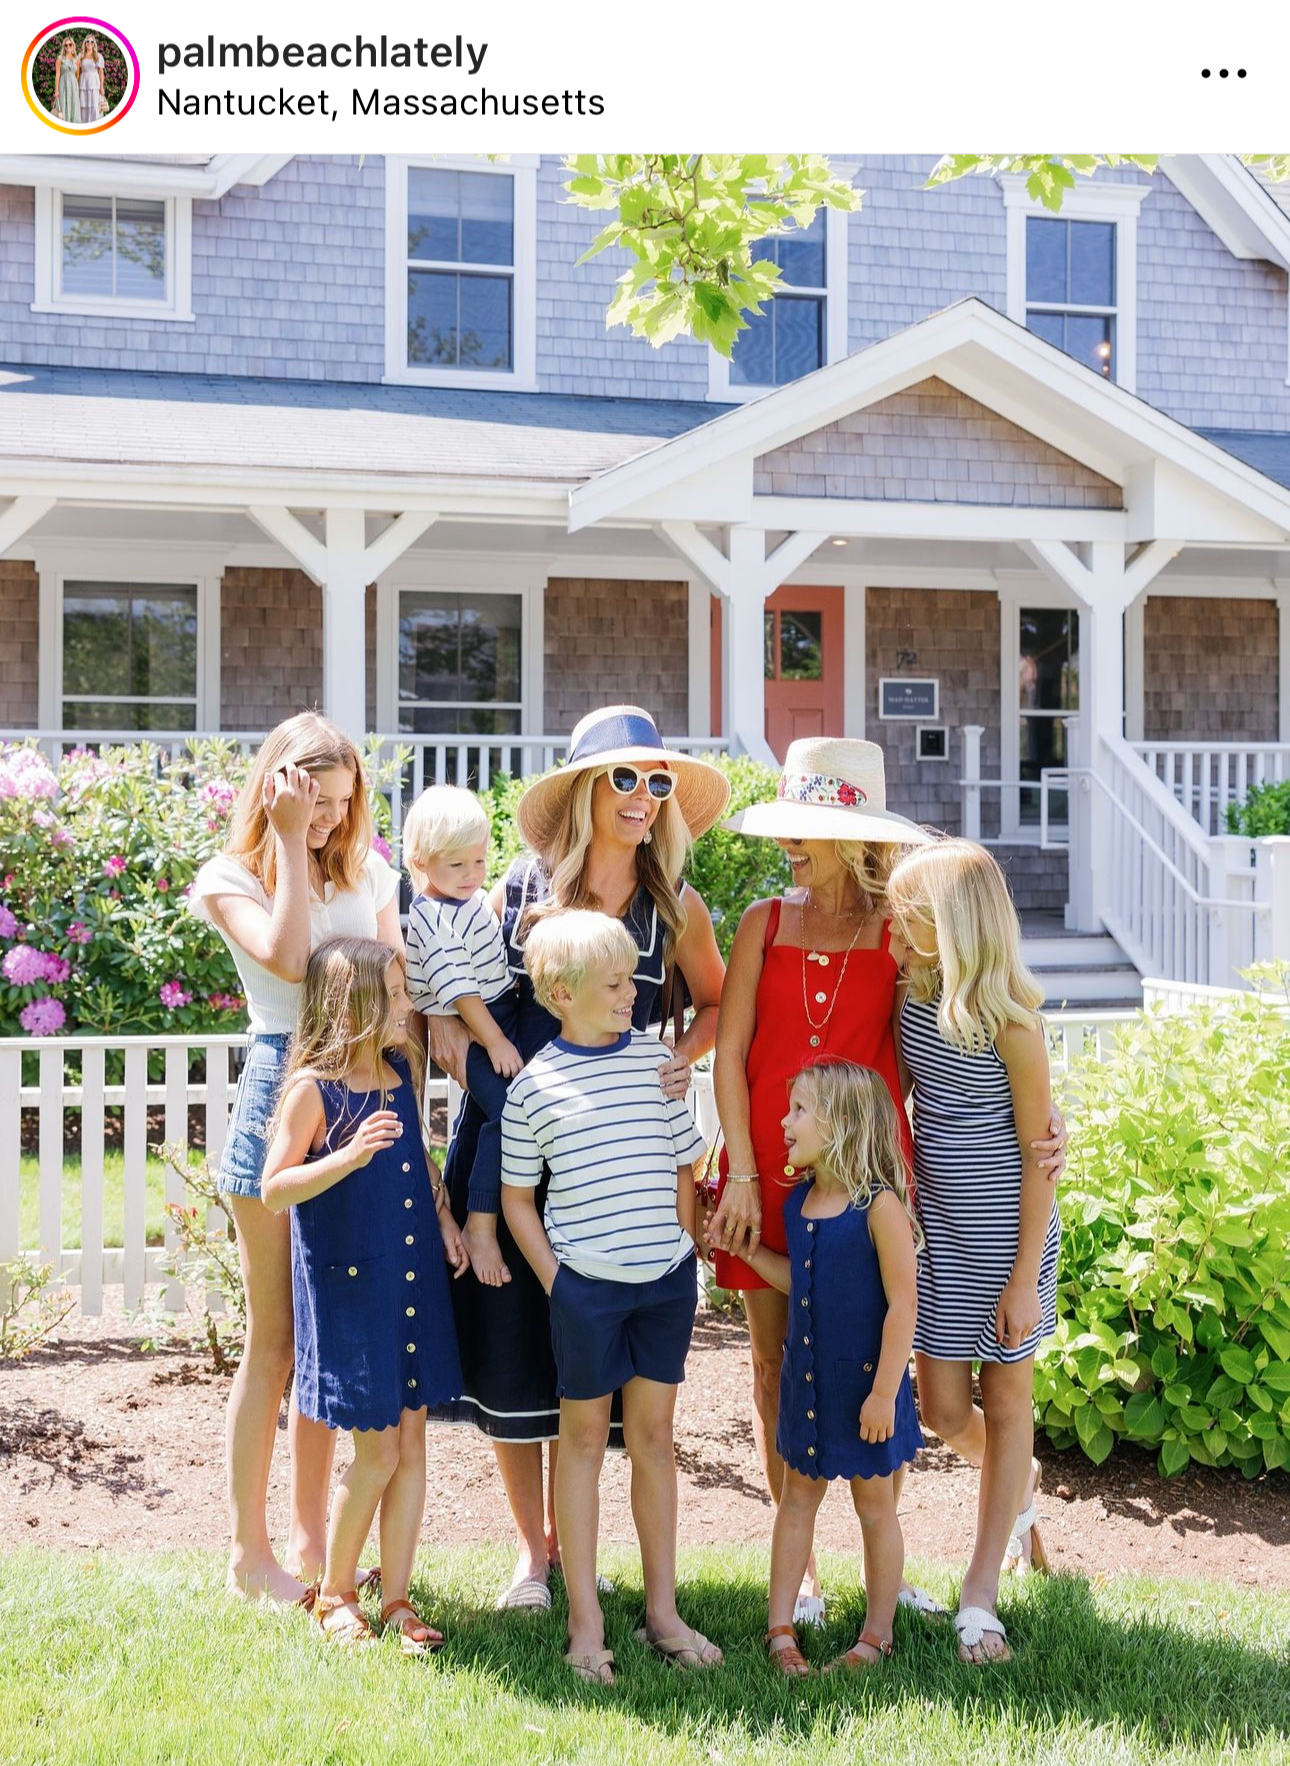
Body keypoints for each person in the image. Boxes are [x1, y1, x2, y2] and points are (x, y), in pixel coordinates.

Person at [707, 737, 1066, 1628]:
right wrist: (740, 1171)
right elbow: (731, 1050)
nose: (787, 845)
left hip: (872, 1191)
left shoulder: (903, 935)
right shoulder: (762, 923)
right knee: (772, 1365)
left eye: (804, 828)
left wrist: (1047, 1131)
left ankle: (885, 1565)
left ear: (852, 837)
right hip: (765, 1173)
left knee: (881, 1371)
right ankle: (804, 1574)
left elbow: (967, 1046)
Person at [428, 706, 728, 1612]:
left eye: (658, 782)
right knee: (514, 1353)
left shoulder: (674, 905)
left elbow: (718, 1002)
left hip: (619, 1166)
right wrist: (461, 1045)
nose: (643, 798)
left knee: (590, 1371)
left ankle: (589, 1557)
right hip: (515, 1149)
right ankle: (535, 1556)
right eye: (624, 779)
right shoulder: (518, 889)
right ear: (587, 790)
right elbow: (454, 993)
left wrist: (683, 1056)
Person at [190, 712, 402, 1603]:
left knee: (331, 1335)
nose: (328, 820)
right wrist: (284, 842)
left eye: (342, 804)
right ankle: (250, 1554)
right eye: (314, 802)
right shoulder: (231, 876)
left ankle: (315, 1548)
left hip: (361, 1087)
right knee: (275, 1342)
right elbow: (286, 961)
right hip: (282, 1083)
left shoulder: (366, 870)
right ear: (277, 788)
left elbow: (391, 983)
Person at [501, 911, 720, 1684]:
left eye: (632, 980)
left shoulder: (658, 1064)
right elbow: (517, 1200)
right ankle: (585, 1621)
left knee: (655, 1441)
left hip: (664, 1285)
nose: (634, 994)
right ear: (562, 994)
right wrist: (558, 1282)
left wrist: (686, 1252)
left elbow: (685, 1164)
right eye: (617, 984)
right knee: (585, 1443)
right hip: (586, 1291)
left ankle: (663, 1613)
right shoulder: (534, 1088)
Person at [261, 938, 468, 1649]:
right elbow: (274, 1187)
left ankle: (398, 1599)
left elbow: (417, 1160)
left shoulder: (397, 1068)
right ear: (353, 1008)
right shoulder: (311, 1090)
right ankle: (335, 1593)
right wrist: (347, 1155)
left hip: (412, 1276)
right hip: (354, 1290)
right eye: (397, 993)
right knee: (377, 1452)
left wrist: (444, 1218)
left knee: (411, 1443)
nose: (408, 1004)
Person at [886, 838, 1060, 1666]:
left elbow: (1039, 1158)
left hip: (1007, 1243)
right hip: (941, 1236)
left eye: (905, 916)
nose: (892, 928)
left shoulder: (1014, 1026)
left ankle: (980, 1593)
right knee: (944, 1411)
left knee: (1010, 1398)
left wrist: (1024, 1279)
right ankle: (1018, 1482)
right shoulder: (911, 999)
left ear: (949, 923)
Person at [736, 1060, 923, 1677]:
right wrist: (747, 1253)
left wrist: (884, 1393)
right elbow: (802, 1281)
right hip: (809, 1385)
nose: (784, 1122)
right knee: (796, 1500)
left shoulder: (880, 1207)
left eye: (799, 1111)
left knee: (875, 1506)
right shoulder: (800, 1203)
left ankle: (876, 1636)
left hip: (868, 1388)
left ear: (840, 1124)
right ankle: (780, 1627)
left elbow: (903, 1304)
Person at [403, 785, 521, 1289]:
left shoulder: (463, 899)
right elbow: (461, 992)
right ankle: (480, 1221)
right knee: (507, 1113)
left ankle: (467, 1199)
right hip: (476, 1023)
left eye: (479, 861)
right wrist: (494, 1041)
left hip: (495, 1013)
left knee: (485, 1114)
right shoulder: (432, 916)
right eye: (457, 865)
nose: (473, 875)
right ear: (421, 862)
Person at [77, 37, 104, 124]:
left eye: (92, 42)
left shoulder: (98, 56)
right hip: (83, 84)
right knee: (84, 104)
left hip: (94, 84)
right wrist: (76, 85)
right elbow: (78, 72)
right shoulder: (80, 56)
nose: (89, 43)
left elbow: (101, 72)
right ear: (85, 43)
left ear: (94, 44)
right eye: (87, 41)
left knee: (95, 105)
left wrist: (102, 87)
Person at [52, 38, 79, 123]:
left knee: (74, 105)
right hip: (63, 85)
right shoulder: (60, 59)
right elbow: (57, 75)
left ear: (73, 45)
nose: (68, 46)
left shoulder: (76, 59)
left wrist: (75, 84)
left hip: (73, 86)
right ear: (64, 47)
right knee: (63, 105)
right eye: (66, 45)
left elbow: (77, 75)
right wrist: (56, 90)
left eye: (70, 44)